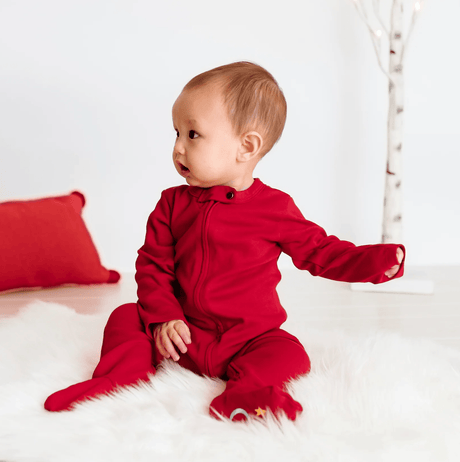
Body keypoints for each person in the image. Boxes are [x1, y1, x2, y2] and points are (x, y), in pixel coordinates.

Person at [45, 62, 405, 422]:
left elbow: (320, 251)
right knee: (126, 316)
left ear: (246, 146)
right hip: (182, 337)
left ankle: (244, 394)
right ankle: (121, 376)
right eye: (176, 133)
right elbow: (153, 266)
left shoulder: (274, 208)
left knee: (290, 352)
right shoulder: (171, 205)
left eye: (193, 135)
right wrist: (164, 318)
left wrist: (373, 263)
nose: (178, 148)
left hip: (246, 340)